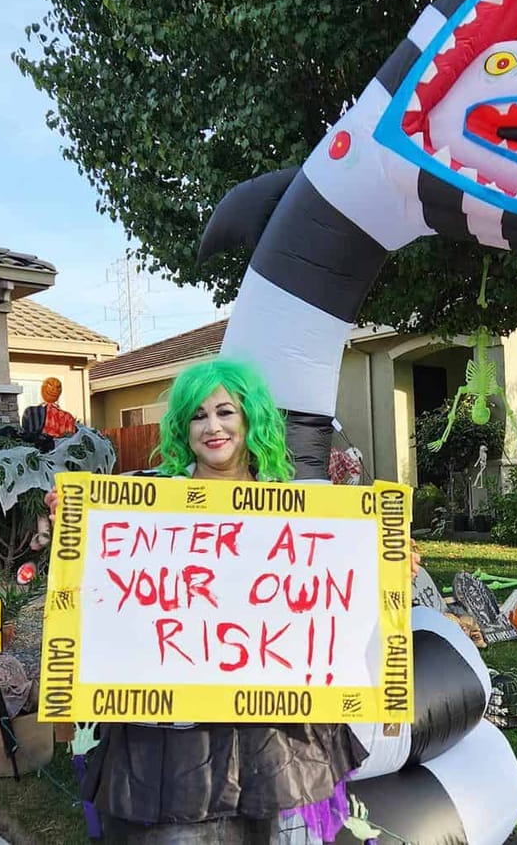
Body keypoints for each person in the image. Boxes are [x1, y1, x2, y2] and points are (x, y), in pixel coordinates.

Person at [46, 358, 418, 843]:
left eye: (226, 411)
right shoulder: (147, 498)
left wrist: (387, 563)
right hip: (172, 741)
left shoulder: (303, 509)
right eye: (198, 416)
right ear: (183, 428)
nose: (213, 426)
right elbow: (100, 583)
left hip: (269, 736)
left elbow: (336, 594)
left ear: (250, 418)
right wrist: (72, 525)